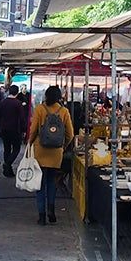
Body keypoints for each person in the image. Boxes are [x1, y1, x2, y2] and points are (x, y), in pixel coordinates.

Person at [30, 85, 75, 225]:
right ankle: (51, 211)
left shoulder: (39, 109)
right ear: (59, 97)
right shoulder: (64, 111)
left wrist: (30, 144)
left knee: (39, 184)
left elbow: (33, 130)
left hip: (40, 151)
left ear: (46, 96)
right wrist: (63, 146)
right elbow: (70, 133)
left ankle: (42, 215)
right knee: (51, 182)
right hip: (56, 153)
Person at [0, 86, 26, 178]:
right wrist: (24, 129)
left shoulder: (2, 102)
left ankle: (8, 170)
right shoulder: (18, 104)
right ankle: (7, 164)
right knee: (16, 148)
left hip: (4, 129)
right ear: (17, 93)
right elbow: (22, 118)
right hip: (15, 129)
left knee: (7, 149)